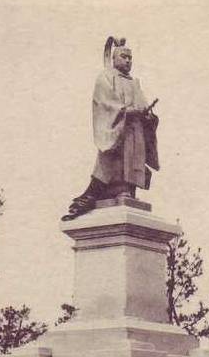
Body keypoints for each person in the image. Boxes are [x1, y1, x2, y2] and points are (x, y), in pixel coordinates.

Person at [62, 37, 160, 221]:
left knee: (134, 158)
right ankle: (108, 190)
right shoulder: (106, 78)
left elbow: (143, 104)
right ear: (114, 59)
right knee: (114, 158)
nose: (128, 61)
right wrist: (126, 111)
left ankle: (128, 189)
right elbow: (105, 104)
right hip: (118, 129)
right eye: (124, 56)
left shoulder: (134, 83)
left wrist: (148, 115)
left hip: (135, 130)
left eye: (131, 58)